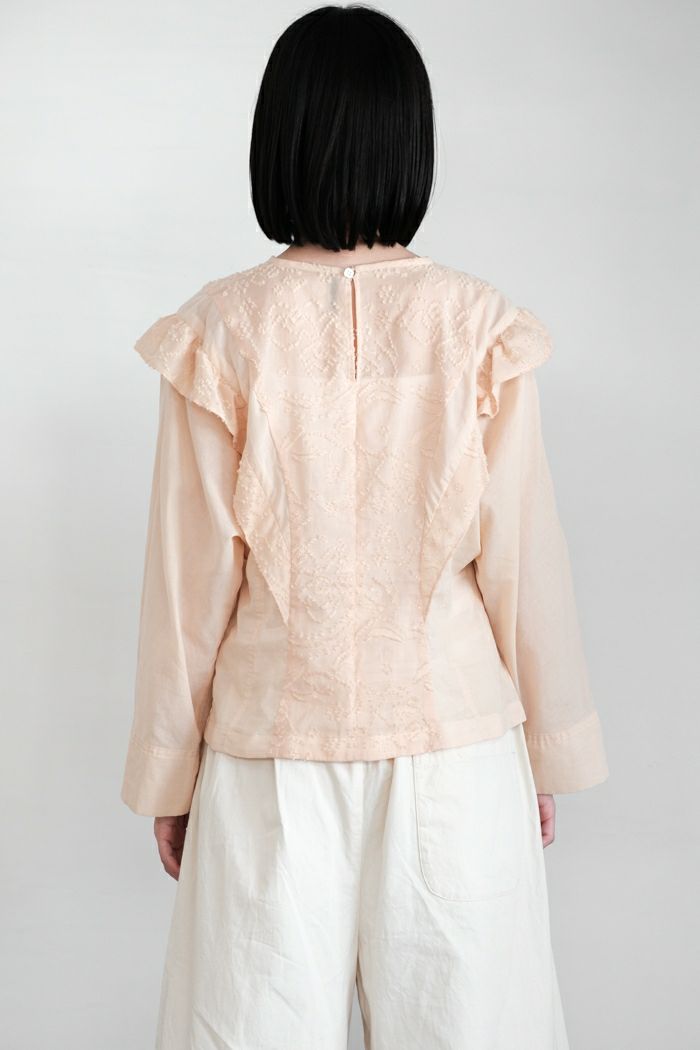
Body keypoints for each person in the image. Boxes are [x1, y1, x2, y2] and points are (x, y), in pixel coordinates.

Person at [120, 5, 609, 1048]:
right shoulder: (477, 326)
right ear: (409, 144)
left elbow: (188, 584)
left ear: (278, 141)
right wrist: (546, 754)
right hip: (454, 751)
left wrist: (170, 773)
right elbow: (524, 564)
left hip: (270, 752)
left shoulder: (219, 331)